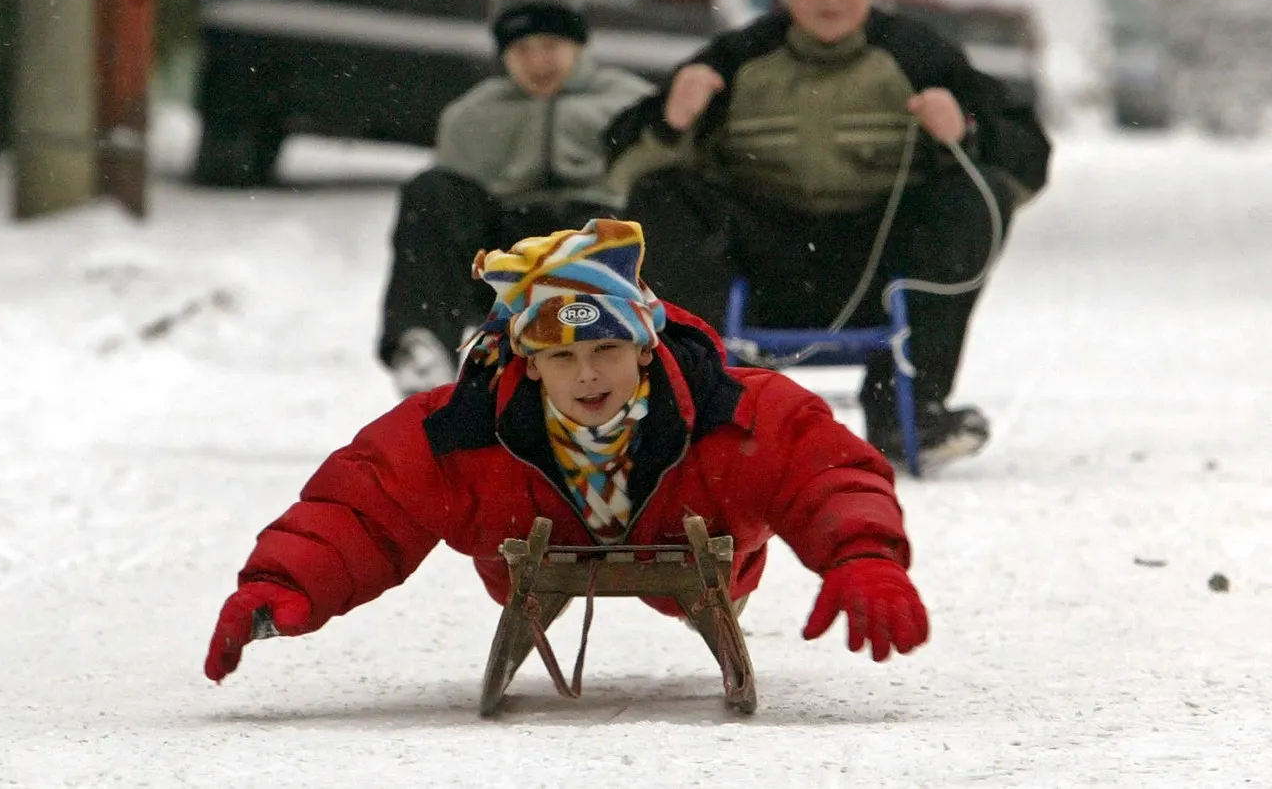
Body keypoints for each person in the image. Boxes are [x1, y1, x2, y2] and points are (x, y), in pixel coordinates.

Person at [205, 219, 929, 686]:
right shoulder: (465, 426)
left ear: (645, 349)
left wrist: (863, 555)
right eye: (561, 357)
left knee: (737, 532)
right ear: (528, 362)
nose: (587, 374)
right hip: (527, 550)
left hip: (696, 545)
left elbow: (823, 467)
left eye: (607, 349)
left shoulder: (732, 408)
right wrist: (282, 584)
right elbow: (365, 504)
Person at [602, 0, 1052, 468]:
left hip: (882, 270)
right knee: (659, 196)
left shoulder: (918, 57)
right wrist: (669, 123)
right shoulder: (737, 60)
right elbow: (616, 170)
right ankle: (703, 399)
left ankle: (910, 405)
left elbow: (1029, 161)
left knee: (977, 197)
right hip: (761, 264)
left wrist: (966, 132)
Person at [379, 0, 656, 397]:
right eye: (521, 49)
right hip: (508, 255)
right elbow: (450, 218)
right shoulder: (470, 117)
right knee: (430, 190)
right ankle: (423, 345)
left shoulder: (629, 103)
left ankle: (667, 340)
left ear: (578, 44)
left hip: (596, 249)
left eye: (550, 45)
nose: (538, 62)